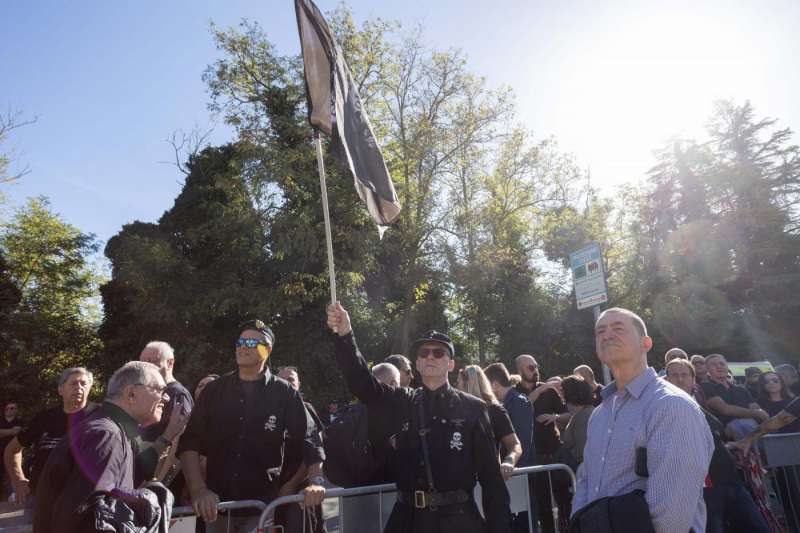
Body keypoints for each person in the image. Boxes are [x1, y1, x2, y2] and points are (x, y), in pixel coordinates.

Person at [327, 302, 512, 533]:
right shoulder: (403, 400)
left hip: (459, 521)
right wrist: (345, 335)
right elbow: (363, 383)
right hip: (409, 520)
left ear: (451, 363)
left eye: (438, 352)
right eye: (424, 353)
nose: (430, 357)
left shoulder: (473, 408)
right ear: (417, 363)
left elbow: (492, 482)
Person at [570, 308, 713, 533]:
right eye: (600, 331)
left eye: (618, 328)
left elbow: (670, 516)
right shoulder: (600, 414)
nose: (607, 335)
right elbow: (586, 479)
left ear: (645, 343)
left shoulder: (671, 406)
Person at [178, 319, 325, 533]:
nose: (242, 346)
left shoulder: (284, 394)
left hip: (262, 510)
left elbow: (310, 440)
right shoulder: (214, 391)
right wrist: (199, 490)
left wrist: (315, 481)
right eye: (240, 341)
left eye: (251, 342)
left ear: (268, 350)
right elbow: (189, 442)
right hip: (216, 509)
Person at [33, 361, 172, 533]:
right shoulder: (106, 436)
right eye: (160, 390)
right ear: (131, 394)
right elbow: (84, 516)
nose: (166, 398)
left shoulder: (112, 431)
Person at [664, 359, 770, 533]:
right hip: (702, 489)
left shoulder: (700, 408)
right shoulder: (664, 410)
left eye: (684, 375)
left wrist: (734, 446)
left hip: (731, 481)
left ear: (693, 380)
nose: (680, 379)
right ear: (666, 380)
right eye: (674, 375)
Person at [4, 368, 94, 518]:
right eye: (73, 384)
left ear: (90, 388)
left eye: (83, 384)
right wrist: (18, 479)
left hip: (84, 501)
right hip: (41, 497)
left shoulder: (100, 417)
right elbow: (12, 449)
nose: (79, 388)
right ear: (60, 389)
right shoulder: (44, 418)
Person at [514, 354, 569, 533]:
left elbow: (569, 414)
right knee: (540, 503)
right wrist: (541, 389)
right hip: (531, 456)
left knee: (563, 500)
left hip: (554, 452)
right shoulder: (515, 392)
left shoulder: (549, 391)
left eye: (536, 366)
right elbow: (522, 407)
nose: (536, 370)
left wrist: (556, 417)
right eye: (530, 368)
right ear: (519, 370)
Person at [276, 366, 326, 533]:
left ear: (298, 384)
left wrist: (291, 484)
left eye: (290, 379)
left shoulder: (306, 409)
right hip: (270, 492)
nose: (286, 383)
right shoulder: (266, 410)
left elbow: (314, 451)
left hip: (298, 494)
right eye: (281, 379)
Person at [139, 341, 193, 486]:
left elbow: (179, 444)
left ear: (170, 363)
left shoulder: (178, 394)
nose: (146, 367)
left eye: (152, 361)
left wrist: (159, 483)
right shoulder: (146, 393)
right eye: (142, 362)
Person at [457, 365, 522, 480]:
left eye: (458, 383)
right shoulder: (454, 411)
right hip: (461, 483)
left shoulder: (495, 411)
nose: (456, 387)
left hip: (489, 481)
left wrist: (509, 462)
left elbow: (515, 445)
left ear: (468, 384)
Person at [702, 354, 769, 440]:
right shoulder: (705, 387)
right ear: (707, 369)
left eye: (722, 364)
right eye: (714, 364)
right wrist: (757, 413)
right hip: (725, 432)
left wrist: (761, 414)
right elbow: (725, 409)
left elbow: (755, 407)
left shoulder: (741, 389)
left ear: (727, 366)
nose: (719, 367)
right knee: (742, 424)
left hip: (751, 427)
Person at [557, 376, 594, 472]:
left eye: (562, 391)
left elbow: (581, 451)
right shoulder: (582, 413)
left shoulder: (583, 417)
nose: (560, 394)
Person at [0, 402, 24, 498]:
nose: (9, 410)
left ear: (16, 410)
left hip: (14, 452)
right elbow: (12, 431)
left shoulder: (19, 421)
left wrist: (2, 432)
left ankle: (12, 495)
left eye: (12, 408)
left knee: (12, 473)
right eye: (7, 408)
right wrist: (10, 432)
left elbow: (16, 431)